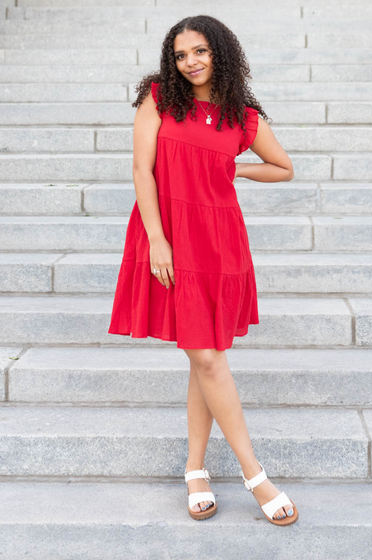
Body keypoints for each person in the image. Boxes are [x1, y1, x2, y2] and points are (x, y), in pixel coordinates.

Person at [108, 15, 298, 526]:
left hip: (220, 244)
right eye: (180, 54)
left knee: (205, 357)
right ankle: (255, 475)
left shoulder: (244, 117)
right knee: (209, 359)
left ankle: (195, 469)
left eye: (200, 51)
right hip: (169, 237)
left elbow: (284, 167)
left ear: (220, 53)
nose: (190, 62)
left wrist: (236, 167)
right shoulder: (159, 97)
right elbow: (141, 169)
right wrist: (157, 240)